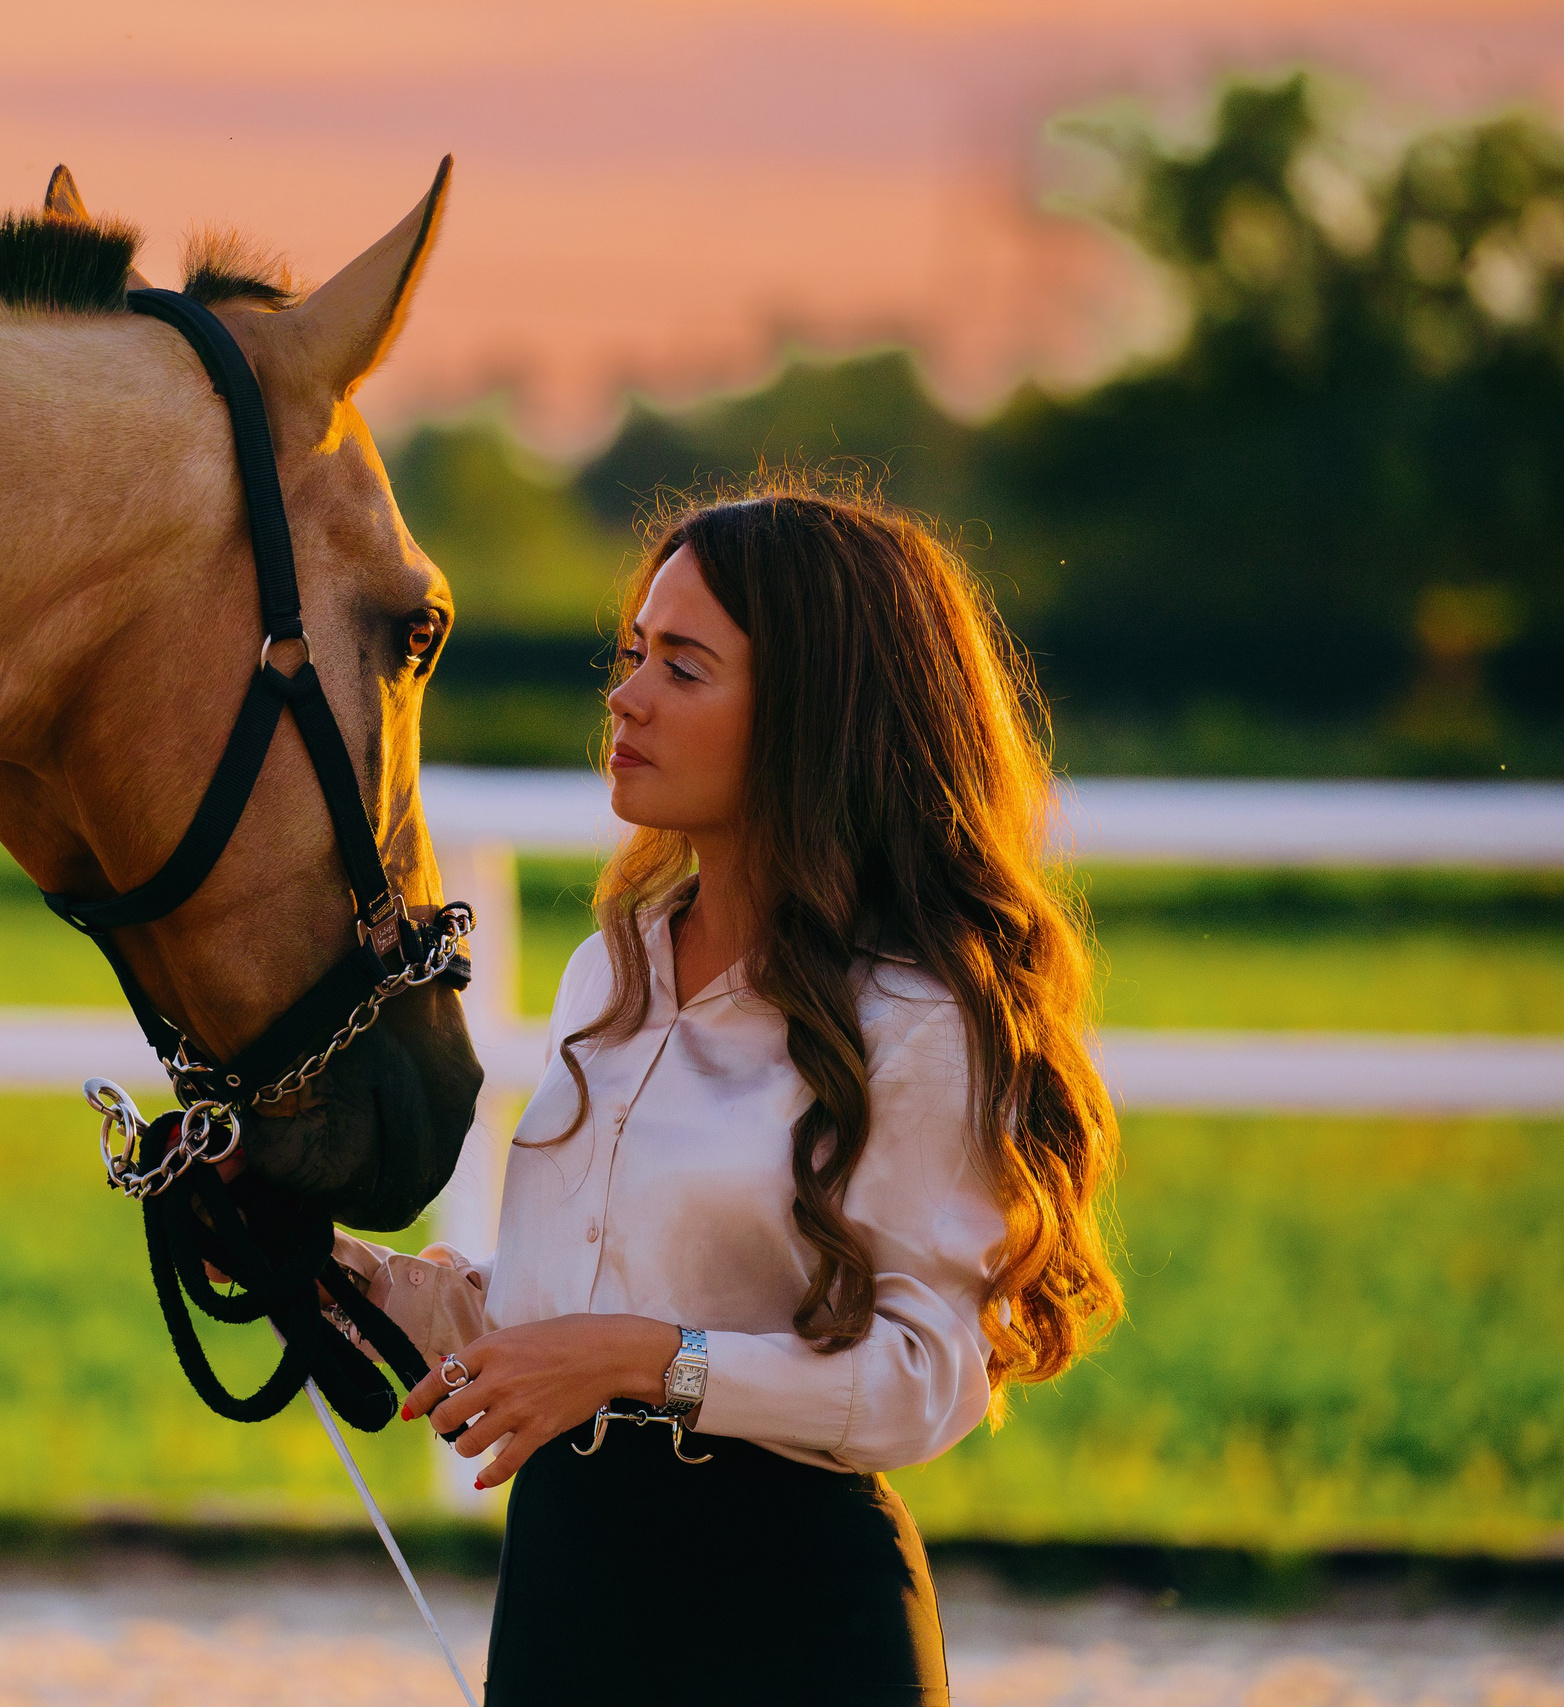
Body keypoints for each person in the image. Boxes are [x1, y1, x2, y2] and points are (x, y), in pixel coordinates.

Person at [335, 484, 1123, 1705]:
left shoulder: (912, 1021)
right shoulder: (615, 968)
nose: (626, 695)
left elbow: (924, 1378)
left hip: (790, 1620)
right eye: (633, 653)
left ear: (815, 717)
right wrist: (338, 1275)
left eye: (684, 669)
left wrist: (645, 1363)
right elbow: (566, 1320)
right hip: (565, 1606)